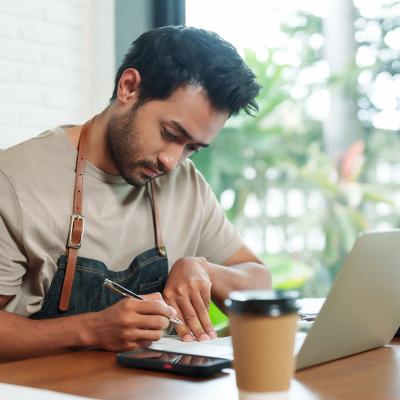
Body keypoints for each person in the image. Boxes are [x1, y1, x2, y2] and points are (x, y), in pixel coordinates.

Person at [0, 26, 271, 362]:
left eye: (193, 148)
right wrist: (91, 329)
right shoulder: (13, 180)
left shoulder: (185, 183)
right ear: (128, 87)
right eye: (170, 133)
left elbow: (261, 284)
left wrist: (205, 269)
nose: (172, 162)